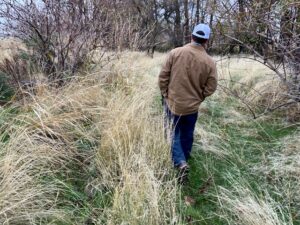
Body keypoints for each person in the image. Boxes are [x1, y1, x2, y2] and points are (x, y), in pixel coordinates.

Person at [158, 24, 218, 180]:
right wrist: (199, 97)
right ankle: (184, 158)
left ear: (191, 36)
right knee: (187, 133)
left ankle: (180, 162)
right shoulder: (210, 62)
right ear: (207, 40)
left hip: (173, 103)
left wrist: (165, 93)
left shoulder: (175, 53)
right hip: (192, 107)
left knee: (172, 132)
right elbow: (211, 87)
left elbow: (163, 76)